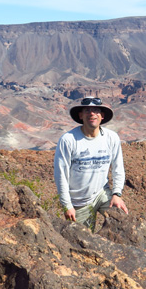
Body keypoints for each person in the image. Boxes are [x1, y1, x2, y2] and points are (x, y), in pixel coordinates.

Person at [54, 96, 129, 231]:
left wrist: (117, 194)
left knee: (122, 221)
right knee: (82, 239)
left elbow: (118, 168)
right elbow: (61, 175)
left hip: (102, 193)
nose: (92, 113)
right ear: (81, 115)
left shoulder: (111, 138)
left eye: (96, 110)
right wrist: (67, 205)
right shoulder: (68, 140)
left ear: (102, 116)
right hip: (79, 201)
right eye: (87, 110)